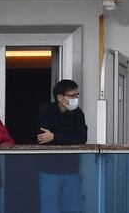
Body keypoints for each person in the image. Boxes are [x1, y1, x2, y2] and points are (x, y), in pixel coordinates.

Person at [36, 79, 88, 213]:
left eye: (77, 95)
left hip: (72, 170)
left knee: (73, 209)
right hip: (48, 170)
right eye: (72, 95)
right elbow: (43, 138)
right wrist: (67, 138)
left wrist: (55, 137)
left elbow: (82, 139)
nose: (76, 98)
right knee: (49, 208)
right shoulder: (46, 110)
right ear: (60, 97)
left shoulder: (78, 114)